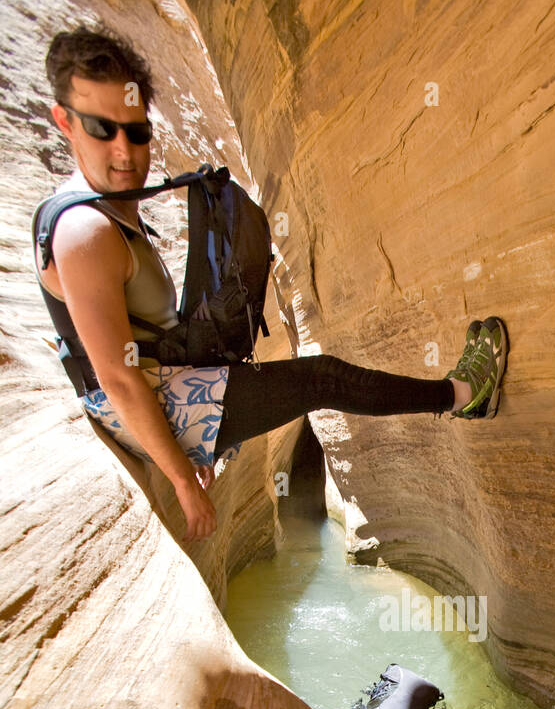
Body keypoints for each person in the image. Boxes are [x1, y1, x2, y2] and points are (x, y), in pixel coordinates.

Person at [34, 27, 508, 542]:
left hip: (161, 389)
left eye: (137, 131)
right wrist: (182, 480)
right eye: (102, 129)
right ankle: (464, 395)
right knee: (323, 378)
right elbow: (119, 379)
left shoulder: (100, 205)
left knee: (316, 378)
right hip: (143, 403)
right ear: (65, 121)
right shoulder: (85, 232)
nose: (124, 150)